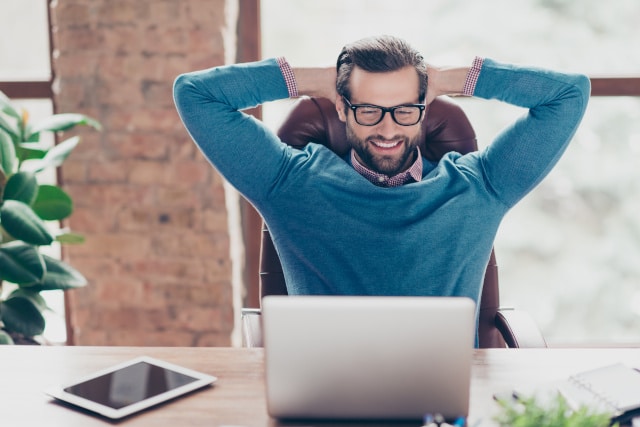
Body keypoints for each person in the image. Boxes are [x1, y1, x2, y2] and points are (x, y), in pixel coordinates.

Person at [174, 35, 590, 333]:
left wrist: (447, 80)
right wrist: (316, 79)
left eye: (406, 110)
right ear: (342, 108)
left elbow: (569, 94)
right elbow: (194, 93)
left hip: (441, 410)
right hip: (322, 403)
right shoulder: (288, 181)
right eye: (369, 110)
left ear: (425, 109)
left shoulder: (482, 185)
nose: (388, 128)